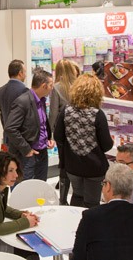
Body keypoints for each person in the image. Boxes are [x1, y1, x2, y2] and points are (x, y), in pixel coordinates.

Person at [72, 163, 133, 260]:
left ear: (108, 186)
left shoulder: (91, 217)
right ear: (131, 189)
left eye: (103, 184)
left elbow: (78, 255)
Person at [54, 74, 113, 208]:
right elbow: (107, 145)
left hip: (72, 166)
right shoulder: (97, 114)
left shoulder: (66, 111)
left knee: (77, 196)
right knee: (92, 203)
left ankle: (75, 226)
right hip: (94, 168)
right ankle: (89, 227)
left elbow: (58, 136)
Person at [4, 69, 54, 181]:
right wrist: (26, 149)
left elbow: (40, 125)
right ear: (44, 86)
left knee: (41, 186)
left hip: (42, 153)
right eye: (51, 85)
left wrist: (48, 139)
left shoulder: (41, 101)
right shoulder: (23, 101)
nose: (52, 88)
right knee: (25, 188)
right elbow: (10, 128)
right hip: (27, 156)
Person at [49, 59, 77, 205]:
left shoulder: (57, 88)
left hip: (63, 132)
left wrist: (50, 133)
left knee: (63, 163)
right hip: (78, 131)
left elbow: (53, 113)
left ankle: (63, 198)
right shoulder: (79, 86)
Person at [0, 60, 29, 143]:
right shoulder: (24, 90)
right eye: (25, 72)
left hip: (7, 137)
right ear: (20, 73)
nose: (25, 75)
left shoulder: (0, 90)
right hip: (21, 139)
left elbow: (2, 115)